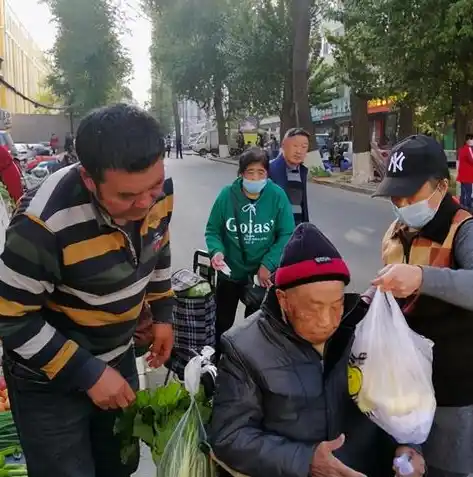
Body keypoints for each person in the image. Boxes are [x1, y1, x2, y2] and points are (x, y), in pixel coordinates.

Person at [0, 103, 175, 477]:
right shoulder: (42, 223)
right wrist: (87, 373)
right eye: (127, 197)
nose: (145, 204)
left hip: (118, 354)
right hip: (48, 380)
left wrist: (162, 315)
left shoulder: (157, 190)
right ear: (89, 178)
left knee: (119, 464)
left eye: (154, 188)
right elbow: (11, 316)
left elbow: (158, 245)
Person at [209, 223, 425, 477]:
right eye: (313, 308)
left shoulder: (364, 329)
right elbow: (230, 437)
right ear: (283, 300)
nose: (327, 320)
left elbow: (399, 401)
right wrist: (306, 461)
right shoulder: (245, 347)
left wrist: (409, 446)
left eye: (337, 305)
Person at [370, 134, 473, 477]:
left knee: (448, 468)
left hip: (454, 390)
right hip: (405, 386)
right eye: (394, 195)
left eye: (409, 193)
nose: (400, 202)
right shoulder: (397, 230)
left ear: (442, 186)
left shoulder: (463, 230)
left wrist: (421, 277)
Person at [205, 148, 295, 360]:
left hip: (261, 276)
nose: (255, 177)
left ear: (267, 175)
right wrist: (216, 251)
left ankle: (249, 366)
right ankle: (218, 365)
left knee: (255, 325)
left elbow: (286, 233)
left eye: (261, 173)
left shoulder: (277, 196)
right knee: (222, 323)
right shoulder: (227, 196)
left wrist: (268, 264)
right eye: (250, 172)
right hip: (230, 273)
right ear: (240, 174)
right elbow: (213, 230)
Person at [269, 127, 310, 225]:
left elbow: (302, 206)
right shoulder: (269, 169)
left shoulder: (302, 171)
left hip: (297, 231)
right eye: (295, 146)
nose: (299, 151)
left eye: (304, 147)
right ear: (283, 146)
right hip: (277, 232)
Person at [457, 134, 473, 209]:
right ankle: (468, 208)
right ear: (467, 140)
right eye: (471, 139)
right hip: (468, 175)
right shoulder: (468, 149)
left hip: (462, 174)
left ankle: (461, 206)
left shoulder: (461, 149)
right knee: (468, 192)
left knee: (463, 193)